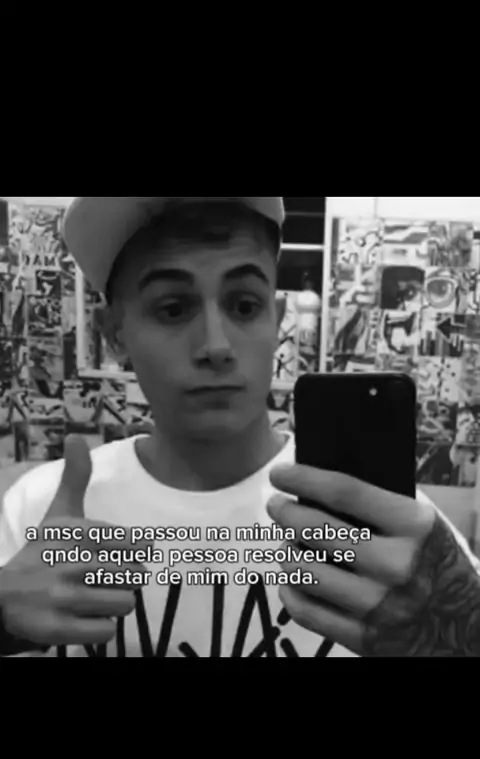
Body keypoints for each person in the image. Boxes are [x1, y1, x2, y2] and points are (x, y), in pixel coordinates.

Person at [1, 196, 480, 658]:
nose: (216, 346)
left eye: (245, 305)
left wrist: (455, 640)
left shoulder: (391, 529)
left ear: (277, 319)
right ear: (114, 335)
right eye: (173, 308)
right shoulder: (40, 514)